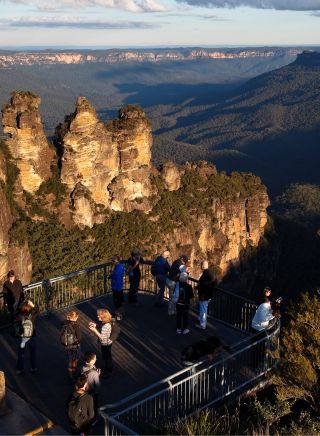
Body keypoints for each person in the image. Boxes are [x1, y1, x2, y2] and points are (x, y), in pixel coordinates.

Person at [251, 295, 280, 371]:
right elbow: (263, 319)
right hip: (256, 329)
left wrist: (274, 314)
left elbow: (270, 314)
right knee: (256, 347)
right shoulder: (263, 306)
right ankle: (254, 365)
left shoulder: (270, 307)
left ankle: (258, 363)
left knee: (261, 348)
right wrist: (273, 315)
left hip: (262, 329)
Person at [16, 299, 39, 374]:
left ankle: (20, 369)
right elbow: (37, 310)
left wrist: (20, 306)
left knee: (21, 353)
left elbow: (15, 313)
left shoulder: (20, 316)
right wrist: (32, 305)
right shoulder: (32, 315)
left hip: (23, 336)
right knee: (33, 353)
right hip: (32, 335)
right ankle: (33, 367)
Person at [89, 309, 113, 378]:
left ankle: (107, 371)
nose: (97, 316)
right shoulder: (107, 322)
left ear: (104, 317)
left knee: (107, 357)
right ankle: (107, 369)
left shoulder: (105, 326)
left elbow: (102, 337)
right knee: (107, 356)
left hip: (105, 344)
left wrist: (94, 330)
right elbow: (102, 328)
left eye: (99, 316)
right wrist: (96, 325)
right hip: (108, 343)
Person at [61, 311, 82, 382]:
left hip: (67, 345)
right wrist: (78, 342)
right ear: (76, 317)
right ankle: (73, 372)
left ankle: (70, 375)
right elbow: (79, 337)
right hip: (75, 345)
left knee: (69, 360)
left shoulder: (64, 323)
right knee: (75, 359)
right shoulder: (76, 326)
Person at [195, 260, 215, 330]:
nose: (201, 266)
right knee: (203, 308)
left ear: (203, 266)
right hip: (208, 295)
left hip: (204, 295)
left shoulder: (206, 274)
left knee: (203, 309)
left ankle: (202, 324)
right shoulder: (210, 273)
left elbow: (203, 285)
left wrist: (197, 287)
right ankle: (201, 319)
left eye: (201, 265)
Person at [81, 351, 100, 421]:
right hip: (93, 393)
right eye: (95, 358)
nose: (96, 359)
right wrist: (97, 375)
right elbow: (97, 385)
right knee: (94, 406)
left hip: (85, 391)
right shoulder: (94, 372)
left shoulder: (83, 367)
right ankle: (94, 420)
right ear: (91, 361)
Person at [110, 256, 125, 320]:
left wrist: (112, 276)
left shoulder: (118, 268)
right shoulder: (119, 266)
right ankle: (119, 314)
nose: (112, 262)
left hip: (117, 288)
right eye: (112, 261)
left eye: (113, 261)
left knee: (118, 302)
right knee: (118, 302)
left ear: (117, 261)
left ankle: (119, 316)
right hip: (118, 287)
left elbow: (118, 278)